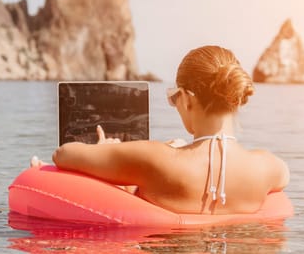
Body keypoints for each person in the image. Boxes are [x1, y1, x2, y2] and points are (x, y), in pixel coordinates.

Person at [31, 45, 289, 215]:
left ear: (187, 98)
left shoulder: (156, 158)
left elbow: (64, 154)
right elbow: (284, 177)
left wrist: (105, 150)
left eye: (173, 98)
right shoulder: (268, 167)